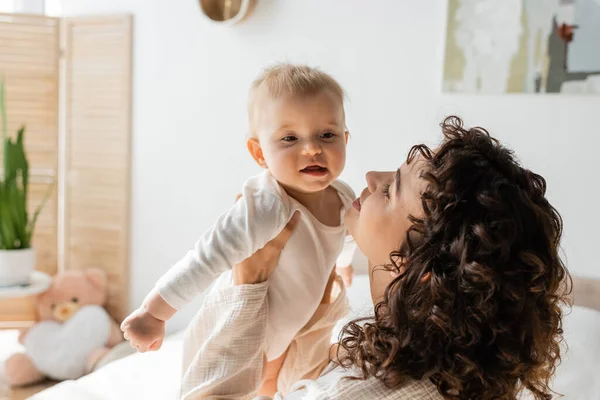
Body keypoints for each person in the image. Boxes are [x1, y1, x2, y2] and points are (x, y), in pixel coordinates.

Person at [176, 116, 571, 400]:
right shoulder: (442, 371)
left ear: (424, 269)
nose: (370, 177)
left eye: (391, 190)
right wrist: (314, 311)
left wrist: (247, 280)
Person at [120, 64, 356, 396]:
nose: (312, 149)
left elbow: (346, 236)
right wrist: (153, 312)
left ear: (345, 139)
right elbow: (205, 258)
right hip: (249, 324)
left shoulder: (343, 196)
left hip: (293, 326)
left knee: (275, 384)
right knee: (235, 386)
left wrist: (344, 263)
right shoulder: (267, 206)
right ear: (260, 153)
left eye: (327, 135)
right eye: (290, 138)